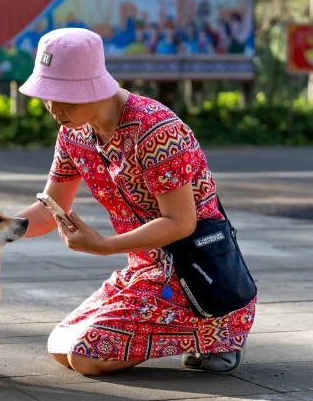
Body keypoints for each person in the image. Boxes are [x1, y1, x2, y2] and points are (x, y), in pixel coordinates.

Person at [15, 28, 256, 376]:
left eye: (63, 96)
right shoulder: (73, 134)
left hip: (195, 275)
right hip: (143, 270)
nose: (54, 108)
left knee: (85, 359)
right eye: (46, 96)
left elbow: (180, 223)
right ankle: (198, 335)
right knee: (61, 346)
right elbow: (50, 206)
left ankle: (219, 331)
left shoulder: (156, 130)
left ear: (94, 85)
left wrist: (104, 245)